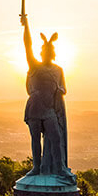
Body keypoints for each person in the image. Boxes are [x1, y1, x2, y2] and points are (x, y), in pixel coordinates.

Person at [20, 14, 74, 184]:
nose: (48, 53)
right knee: (35, 139)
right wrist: (26, 25)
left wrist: (60, 90)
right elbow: (27, 45)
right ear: (42, 53)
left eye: (50, 51)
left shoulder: (59, 70)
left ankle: (60, 168)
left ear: (53, 53)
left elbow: (64, 87)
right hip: (35, 108)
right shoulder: (35, 66)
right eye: (45, 51)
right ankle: (36, 167)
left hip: (49, 109)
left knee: (56, 137)